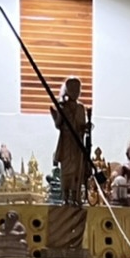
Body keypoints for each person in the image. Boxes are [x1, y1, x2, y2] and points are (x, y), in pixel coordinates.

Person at [50, 76, 90, 206]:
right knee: (66, 170)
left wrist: (86, 127)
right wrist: (57, 112)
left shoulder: (81, 108)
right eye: (72, 89)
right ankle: (65, 196)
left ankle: (75, 196)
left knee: (76, 170)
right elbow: (58, 124)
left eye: (78, 89)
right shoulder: (63, 107)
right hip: (66, 141)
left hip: (77, 143)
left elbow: (82, 126)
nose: (75, 92)